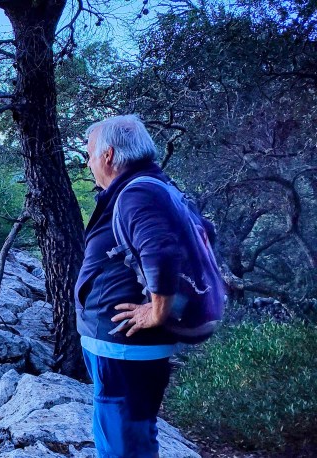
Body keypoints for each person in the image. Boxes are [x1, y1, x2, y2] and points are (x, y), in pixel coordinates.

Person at [76, 114, 188, 458]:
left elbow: (163, 252)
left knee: (122, 447)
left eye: (91, 154)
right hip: (125, 348)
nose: (89, 163)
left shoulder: (136, 193)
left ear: (108, 156)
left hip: (124, 350)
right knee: (135, 437)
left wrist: (156, 312)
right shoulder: (151, 186)